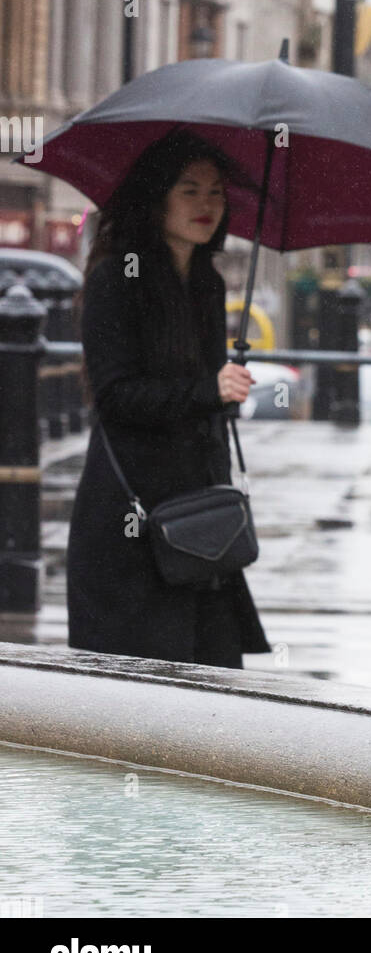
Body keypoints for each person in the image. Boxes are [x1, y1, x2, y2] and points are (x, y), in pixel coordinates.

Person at [67, 129, 271, 669]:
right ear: (155, 196)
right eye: (189, 189)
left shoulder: (207, 283)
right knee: (140, 681)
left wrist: (223, 393)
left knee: (213, 671)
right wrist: (209, 389)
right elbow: (114, 396)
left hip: (200, 512)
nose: (207, 204)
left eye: (216, 192)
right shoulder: (119, 277)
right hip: (133, 511)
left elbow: (202, 395)